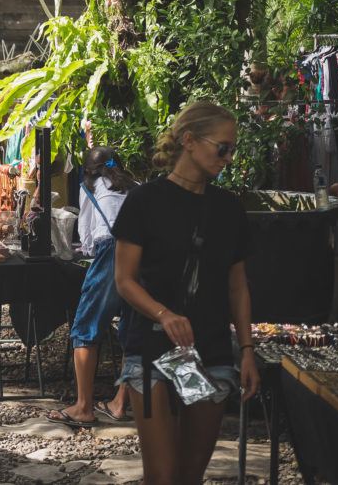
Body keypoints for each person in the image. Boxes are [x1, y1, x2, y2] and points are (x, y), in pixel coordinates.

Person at [113, 101, 259, 485]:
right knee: (161, 476)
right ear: (190, 141)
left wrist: (246, 350)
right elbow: (124, 280)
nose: (228, 157)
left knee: (189, 475)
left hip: (210, 349)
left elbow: (237, 285)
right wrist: (163, 313)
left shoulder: (228, 208)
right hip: (151, 347)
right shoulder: (144, 201)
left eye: (232, 149)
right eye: (222, 147)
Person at [49, 146, 135, 428]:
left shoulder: (91, 187)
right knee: (134, 330)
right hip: (144, 255)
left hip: (113, 251)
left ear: (87, 171)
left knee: (86, 325)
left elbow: (87, 238)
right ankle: (119, 403)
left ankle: (83, 407)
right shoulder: (136, 186)